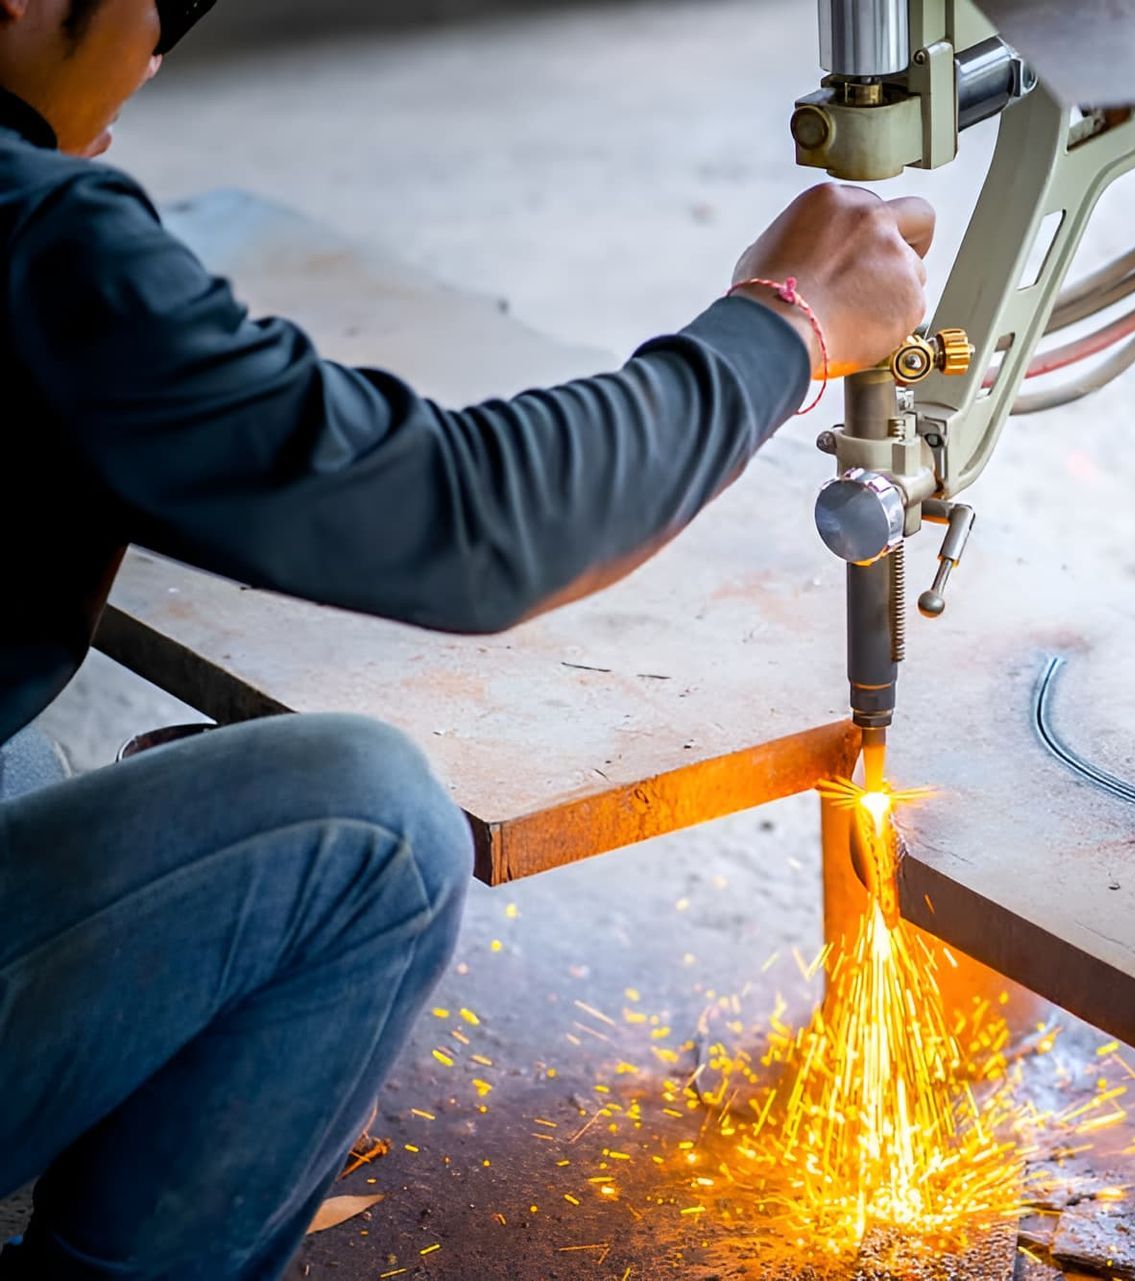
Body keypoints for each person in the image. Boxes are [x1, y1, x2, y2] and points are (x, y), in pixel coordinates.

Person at [0, 0, 935, 1276]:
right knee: (368, 825)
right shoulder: (40, 233)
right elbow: (476, 522)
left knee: (52, 778)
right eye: (154, 8)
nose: (156, 57)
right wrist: (785, 323)